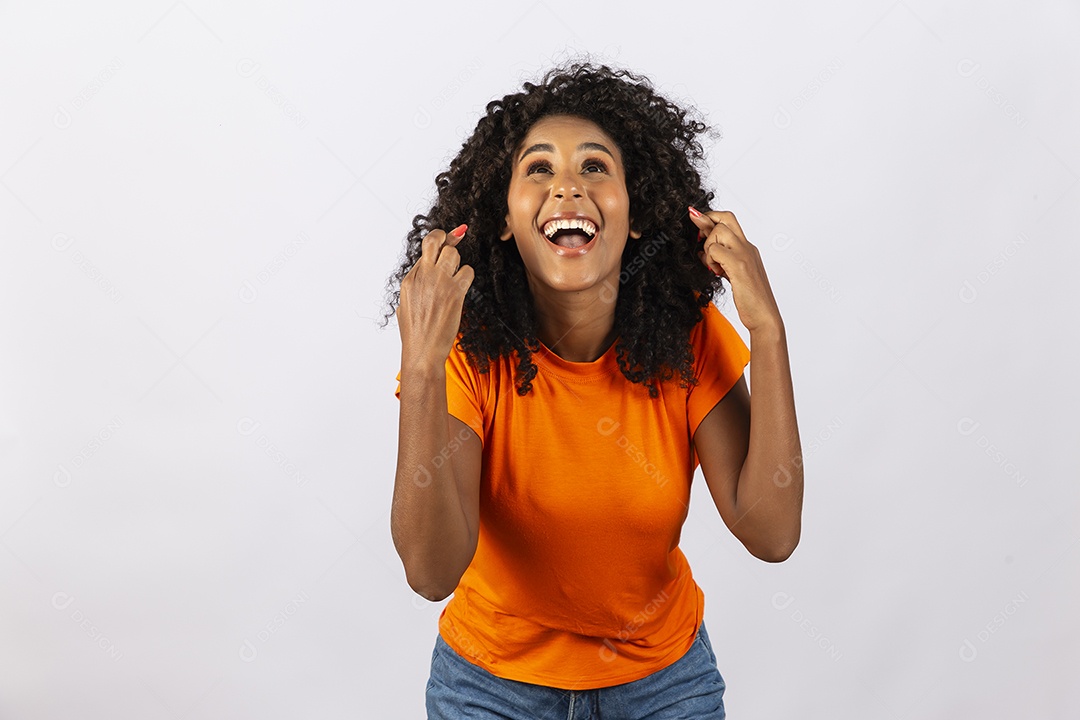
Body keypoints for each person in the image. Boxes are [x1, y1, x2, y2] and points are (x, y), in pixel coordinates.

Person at [384, 59, 803, 719]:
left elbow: (772, 533)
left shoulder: (685, 339)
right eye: (539, 168)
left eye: (596, 167)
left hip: (663, 683)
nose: (567, 188)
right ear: (504, 218)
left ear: (635, 216)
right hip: (491, 688)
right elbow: (431, 573)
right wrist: (423, 368)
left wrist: (768, 332)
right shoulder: (467, 352)